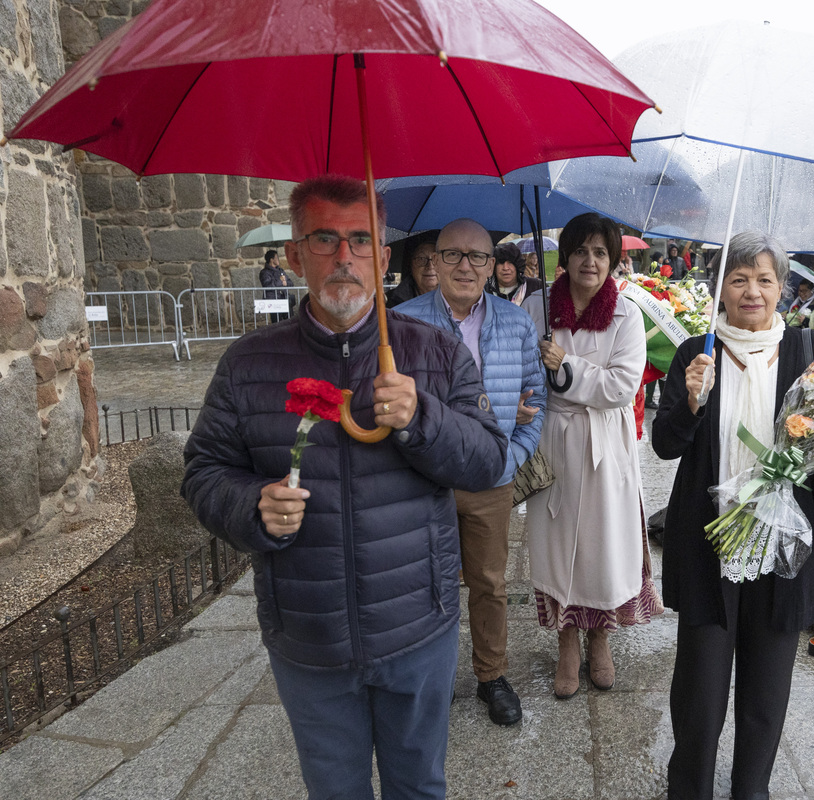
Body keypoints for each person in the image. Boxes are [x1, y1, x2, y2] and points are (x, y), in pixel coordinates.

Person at [181, 175, 507, 800]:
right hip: (310, 636)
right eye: (324, 238)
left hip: (417, 625)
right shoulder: (248, 365)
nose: (344, 257)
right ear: (297, 254)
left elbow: (489, 459)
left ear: (385, 258)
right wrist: (251, 505)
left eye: (361, 239)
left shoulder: (434, 355)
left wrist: (424, 419)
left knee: (418, 787)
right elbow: (203, 471)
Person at [651, 230, 814, 800]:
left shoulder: (808, 351)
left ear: (782, 289)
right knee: (698, 696)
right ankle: (689, 790)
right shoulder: (695, 354)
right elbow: (665, 445)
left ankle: (753, 790)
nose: (752, 291)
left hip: (786, 547)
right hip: (708, 543)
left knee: (766, 696)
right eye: (739, 278)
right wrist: (691, 403)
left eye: (765, 279)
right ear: (721, 288)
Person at [396, 219, 546, 727]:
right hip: (422, 480)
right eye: (453, 254)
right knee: (423, 583)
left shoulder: (516, 322)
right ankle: (426, 675)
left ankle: (491, 673)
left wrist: (513, 457)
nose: (465, 265)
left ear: (491, 265)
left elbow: (536, 398)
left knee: (489, 582)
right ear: (432, 262)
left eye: (477, 256)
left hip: (490, 477)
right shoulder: (401, 322)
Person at [525, 212, 663, 699]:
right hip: (555, 440)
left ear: (612, 260)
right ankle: (566, 640)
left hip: (605, 442)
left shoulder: (626, 314)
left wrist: (568, 366)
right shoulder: (539, 306)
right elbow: (525, 368)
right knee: (560, 543)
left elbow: (620, 387)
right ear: (565, 258)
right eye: (580, 250)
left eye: (600, 252)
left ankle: (599, 636)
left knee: (602, 545)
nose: (590, 261)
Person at [384, 233, 439, 307]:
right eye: (421, 259)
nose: (430, 266)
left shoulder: (458, 302)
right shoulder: (388, 304)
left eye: (436, 259)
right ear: (410, 264)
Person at [487, 241, 543, 306]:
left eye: (510, 262)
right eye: (501, 263)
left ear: (518, 265)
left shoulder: (537, 287)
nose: (505, 268)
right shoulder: (484, 292)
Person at [258, 249, 294, 323]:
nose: (278, 260)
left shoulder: (281, 270)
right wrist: (280, 281)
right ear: (271, 260)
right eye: (277, 258)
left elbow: (291, 283)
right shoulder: (264, 272)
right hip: (274, 301)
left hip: (285, 299)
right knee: (277, 323)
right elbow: (267, 286)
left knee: (289, 322)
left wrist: (285, 283)